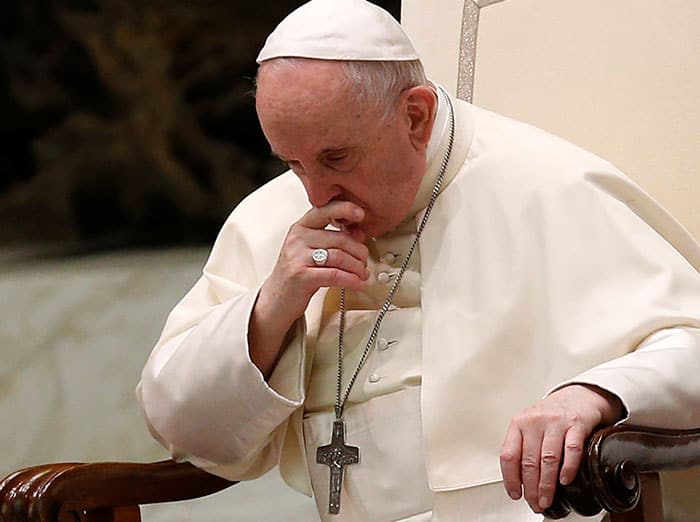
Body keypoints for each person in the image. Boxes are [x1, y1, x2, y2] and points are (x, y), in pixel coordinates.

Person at [137, 0, 700, 520]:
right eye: (293, 163)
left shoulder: (545, 187)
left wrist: (592, 395)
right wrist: (271, 308)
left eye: (336, 157)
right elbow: (183, 428)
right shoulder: (276, 217)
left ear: (416, 116)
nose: (315, 195)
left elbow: (691, 344)